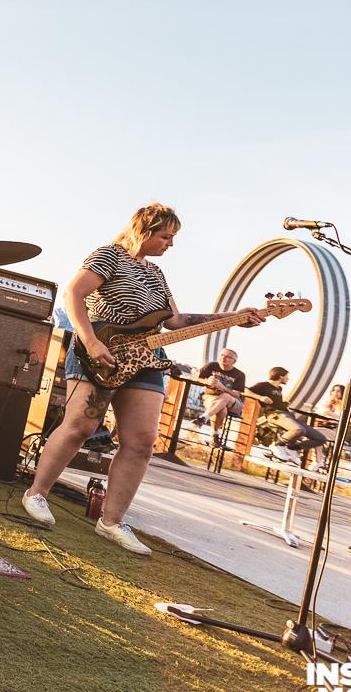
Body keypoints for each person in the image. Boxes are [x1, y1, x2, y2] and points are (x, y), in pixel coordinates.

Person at [22, 203, 264, 555]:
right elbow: (74, 293)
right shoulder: (109, 256)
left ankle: (111, 521)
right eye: (166, 236)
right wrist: (89, 341)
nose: (171, 244)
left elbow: (176, 322)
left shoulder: (156, 275)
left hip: (147, 359)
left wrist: (233, 318)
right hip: (100, 350)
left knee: (142, 441)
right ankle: (37, 494)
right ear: (144, 231)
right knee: (81, 426)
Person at [248, 367, 328, 463]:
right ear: (281, 376)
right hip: (275, 415)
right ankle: (277, 445)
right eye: (287, 376)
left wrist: (283, 404)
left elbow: (276, 401)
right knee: (299, 429)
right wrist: (260, 397)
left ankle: (291, 448)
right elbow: (244, 390)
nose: (288, 379)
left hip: (287, 415)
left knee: (321, 439)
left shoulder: (279, 388)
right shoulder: (264, 385)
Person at [196, 348, 247, 445]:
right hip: (211, 397)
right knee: (222, 409)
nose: (223, 358)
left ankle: (204, 417)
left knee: (226, 396)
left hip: (234, 402)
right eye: (222, 355)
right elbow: (196, 378)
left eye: (228, 357)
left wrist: (222, 387)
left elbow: (236, 394)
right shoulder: (211, 366)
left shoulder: (239, 374)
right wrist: (207, 381)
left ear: (234, 361)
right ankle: (214, 436)